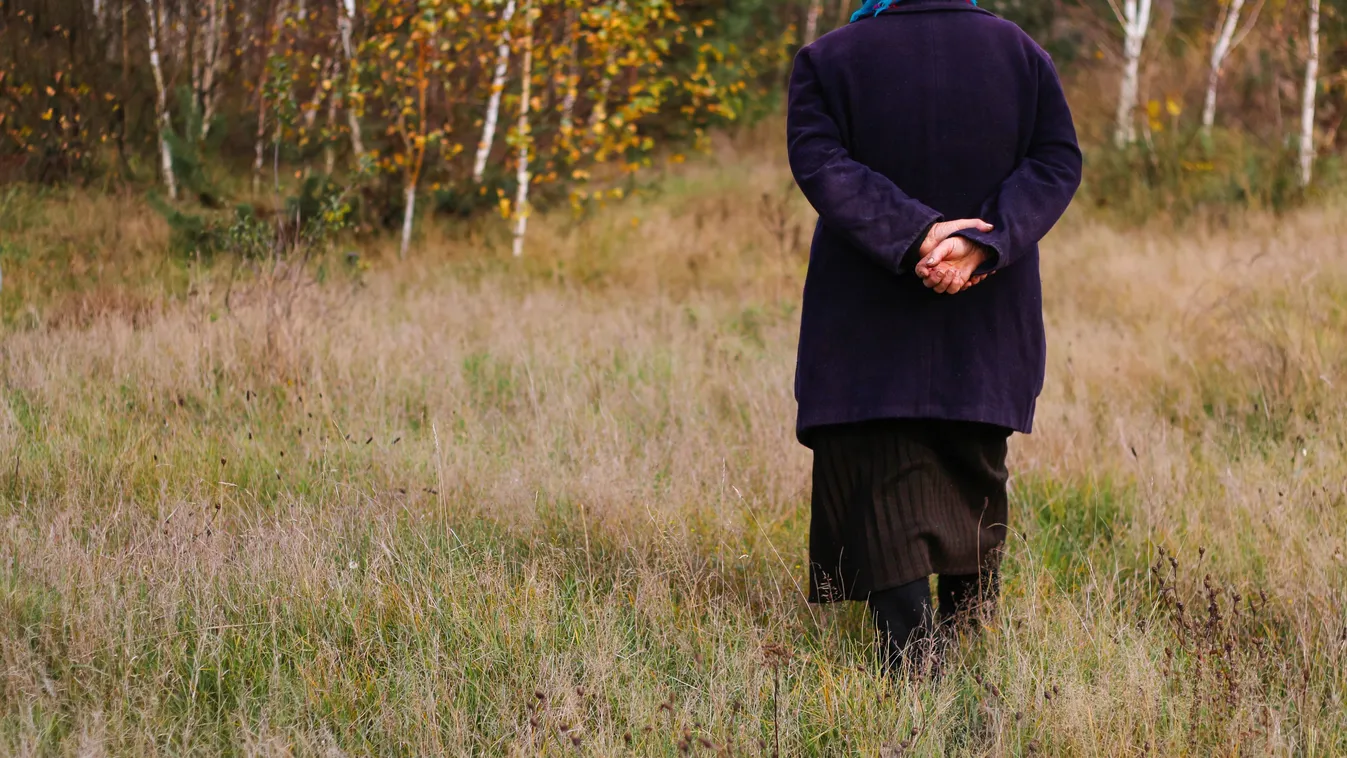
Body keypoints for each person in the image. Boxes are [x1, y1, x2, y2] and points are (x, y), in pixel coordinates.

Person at [786, 0, 1083, 672]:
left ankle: (916, 670)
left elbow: (820, 163)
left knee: (879, 473)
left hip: (865, 311)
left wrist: (918, 235)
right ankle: (962, 651)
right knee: (972, 465)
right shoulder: (1019, 52)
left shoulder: (829, 57)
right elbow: (1055, 162)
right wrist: (982, 243)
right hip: (986, 307)